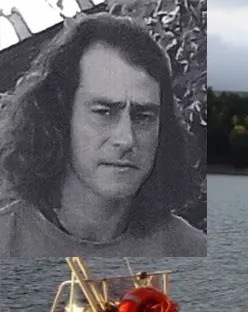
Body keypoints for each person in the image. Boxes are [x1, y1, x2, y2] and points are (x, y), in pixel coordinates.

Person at [0, 13, 205, 257]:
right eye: (104, 112)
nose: (126, 139)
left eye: (143, 117)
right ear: (59, 116)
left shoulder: (192, 251)